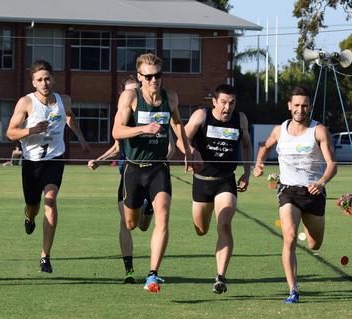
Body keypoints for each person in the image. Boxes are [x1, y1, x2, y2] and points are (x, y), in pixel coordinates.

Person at [112, 53, 192, 293]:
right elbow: (117, 131)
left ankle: (152, 274)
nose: (154, 80)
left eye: (158, 75)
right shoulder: (131, 97)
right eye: (148, 76)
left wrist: (186, 149)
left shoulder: (171, 97)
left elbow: (177, 123)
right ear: (140, 76)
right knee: (130, 222)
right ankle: (143, 210)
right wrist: (143, 129)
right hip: (134, 168)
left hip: (159, 167)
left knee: (164, 216)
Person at [253, 85, 337, 304]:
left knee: (314, 244)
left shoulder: (319, 131)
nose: (301, 109)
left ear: (310, 107)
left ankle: (312, 239)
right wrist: (259, 162)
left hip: (313, 193)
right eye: (297, 105)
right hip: (288, 191)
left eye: (305, 105)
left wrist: (321, 182)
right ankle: (293, 289)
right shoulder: (280, 130)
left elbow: (332, 164)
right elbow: (265, 146)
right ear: (290, 106)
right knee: (289, 237)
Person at [6, 59, 90, 273]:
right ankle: (29, 217)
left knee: (50, 201)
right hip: (32, 162)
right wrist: (31, 130)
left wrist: (81, 138)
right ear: (33, 83)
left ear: (53, 79)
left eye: (47, 78)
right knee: (33, 206)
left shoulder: (64, 100)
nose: (44, 83)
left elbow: (69, 117)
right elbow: (10, 132)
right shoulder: (25, 103)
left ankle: (45, 256)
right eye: (39, 80)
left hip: (55, 159)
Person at [176, 84, 253, 294]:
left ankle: (220, 277)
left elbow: (246, 144)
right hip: (201, 181)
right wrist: (191, 152)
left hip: (225, 181)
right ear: (214, 102)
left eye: (232, 103)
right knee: (201, 230)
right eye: (224, 102)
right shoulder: (201, 116)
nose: (228, 108)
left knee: (225, 224)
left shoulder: (240, 120)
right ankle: (203, 223)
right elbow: (181, 140)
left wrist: (246, 173)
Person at [87, 75, 155, 283]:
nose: (133, 94)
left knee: (143, 226)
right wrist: (99, 160)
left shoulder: (152, 114)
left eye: (137, 90)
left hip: (152, 175)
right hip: (128, 177)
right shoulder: (122, 119)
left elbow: (169, 145)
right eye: (130, 91)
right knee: (126, 223)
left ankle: (148, 209)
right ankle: (129, 270)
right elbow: (117, 148)